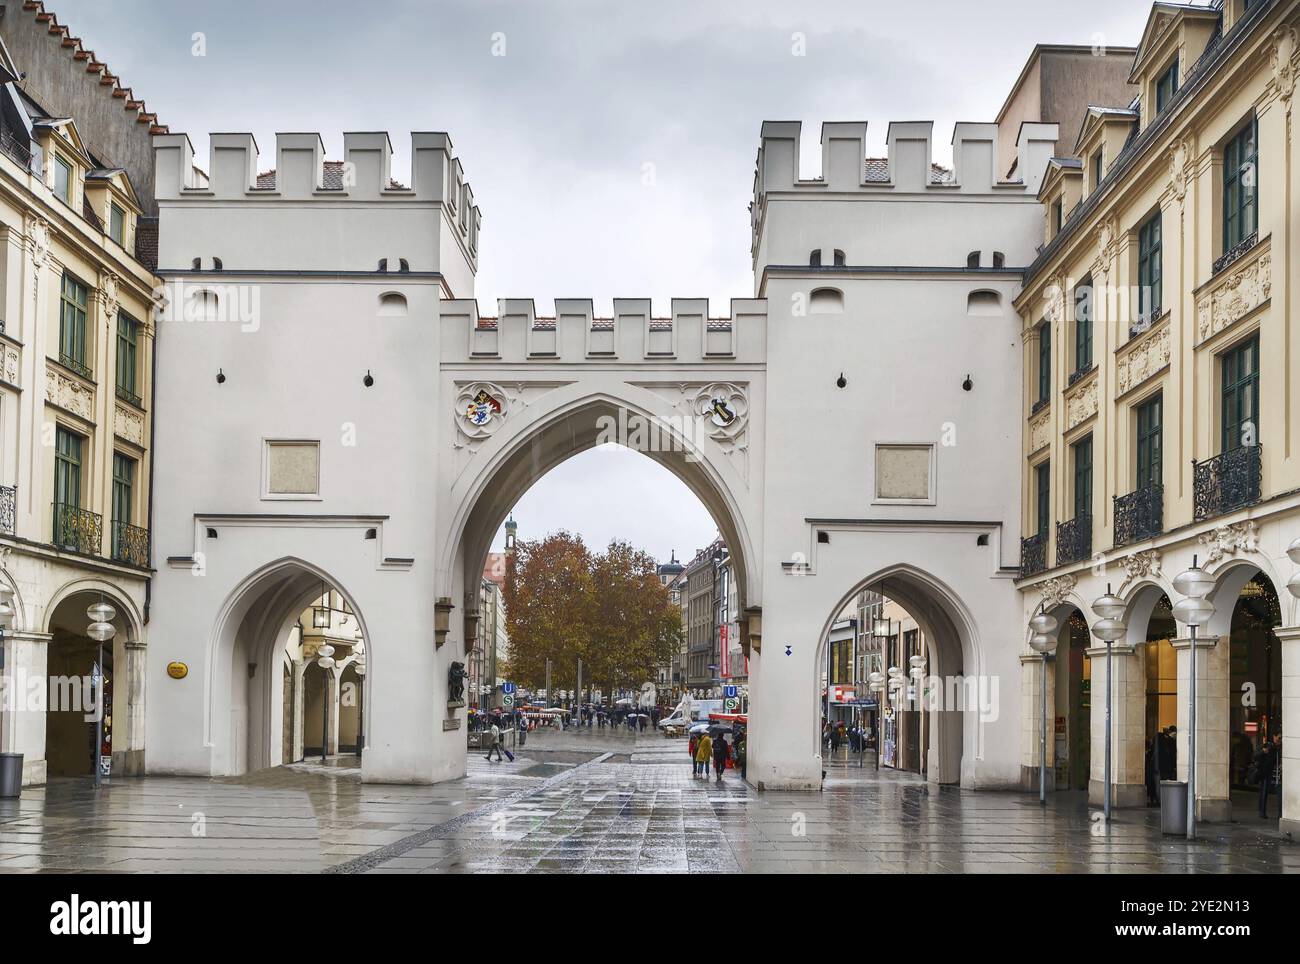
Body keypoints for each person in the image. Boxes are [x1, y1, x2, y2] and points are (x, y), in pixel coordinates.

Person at [1255, 734, 1281, 819]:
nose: (1279, 740)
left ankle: (1280, 813)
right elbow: (1257, 755)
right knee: (1264, 791)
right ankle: (1262, 811)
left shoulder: (1280, 747)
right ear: (1274, 737)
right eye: (1278, 737)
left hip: (1277, 773)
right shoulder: (1269, 745)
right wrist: (1263, 751)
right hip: (1267, 772)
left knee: (1279, 792)